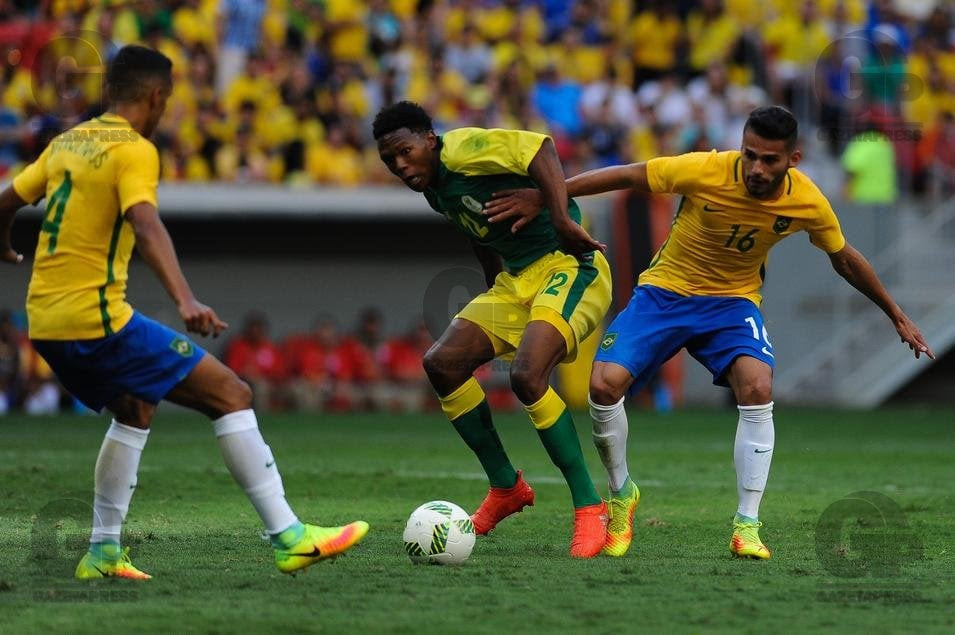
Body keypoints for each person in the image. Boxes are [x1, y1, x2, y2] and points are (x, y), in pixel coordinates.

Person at [484, 105, 934, 559]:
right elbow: (629, 174)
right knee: (602, 386)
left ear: (792, 160)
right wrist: (549, 197)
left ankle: (747, 525)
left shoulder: (808, 201)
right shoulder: (705, 169)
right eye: (750, 155)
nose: (756, 168)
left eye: (769, 160)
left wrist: (896, 315)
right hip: (664, 294)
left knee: (757, 386)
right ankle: (621, 496)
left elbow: (844, 257)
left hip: (731, 304)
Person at [0, 45, 367, 580]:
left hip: (45, 322)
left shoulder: (67, 143)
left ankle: (103, 553)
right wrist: (185, 300)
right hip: (96, 320)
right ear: (156, 97)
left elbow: (6, 202)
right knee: (231, 393)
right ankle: (291, 538)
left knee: (135, 408)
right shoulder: (135, 149)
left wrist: (4, 244)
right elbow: (146, 222)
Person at [373, 100, 611, 557]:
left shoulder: (462, 150)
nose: (400, 165)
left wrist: (560, 217)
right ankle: (506, 487)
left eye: (405, 151)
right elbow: (477, 229)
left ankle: (589, 505)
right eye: (390, 161)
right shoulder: (434, 189)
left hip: (569, 265)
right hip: (515, 282)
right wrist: (492, 284)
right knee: (442, 364)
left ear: (430, 139)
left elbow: (540, 148)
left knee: (527, 375)